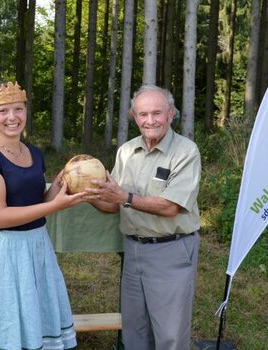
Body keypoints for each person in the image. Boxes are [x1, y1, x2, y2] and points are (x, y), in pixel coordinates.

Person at [85, 85, 201, 350]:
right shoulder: (126, 151)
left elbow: (171, 206)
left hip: (171, 249)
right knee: (135, 332)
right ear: (133, 116)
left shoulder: (186, 152)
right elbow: (114, 205)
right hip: (134, 249)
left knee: (170, 336)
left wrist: (124, 197)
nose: (150, 120)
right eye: (143, 114)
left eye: (157, 113)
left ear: (171, 114)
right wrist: (85, 195)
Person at [0, 82, 84, 350]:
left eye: (18, 109)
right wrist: (55, 207)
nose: (12, 117)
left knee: (39, 321)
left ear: (26, 111)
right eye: (3, 111)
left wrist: (60, 184)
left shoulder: (34, 153)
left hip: (38, 247)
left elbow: (37, 204)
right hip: (8, 251)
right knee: (9, 328)